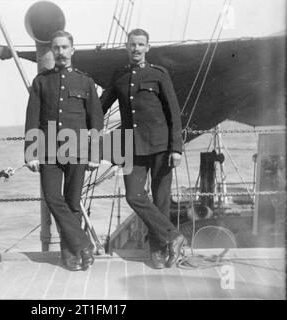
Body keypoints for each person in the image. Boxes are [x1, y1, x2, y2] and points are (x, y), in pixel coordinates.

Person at [100, 28, 186, 269]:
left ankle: (158, 252)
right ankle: (173, 236)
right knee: (133, 196)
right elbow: (100, 108)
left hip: (161, 146)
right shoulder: (119, 76)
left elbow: (173, 114)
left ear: (147, 48)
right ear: (126, 47)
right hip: (132, 149)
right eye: (132, 44)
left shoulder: (158, 74)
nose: (136, 48)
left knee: (161, 200)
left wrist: (176, 148)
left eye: (140, 44)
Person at [24, 30, 104, 271]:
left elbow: (96, 121)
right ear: (53, 51)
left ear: (72, 50)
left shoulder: (85, 81)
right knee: (52, 198)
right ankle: (83, 244)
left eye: (64, 47)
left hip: (78, 150)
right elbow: (32, 119)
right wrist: (30, 152)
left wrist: (95, 154)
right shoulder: (41, 81)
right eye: (56, 48)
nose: (60, 52)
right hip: (48, 150)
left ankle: (71, 257)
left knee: (72, 203)